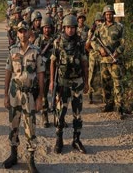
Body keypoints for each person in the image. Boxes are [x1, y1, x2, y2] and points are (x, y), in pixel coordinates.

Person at [3, 22, 44, 173]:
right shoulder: (12, 50)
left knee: (30, 127)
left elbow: (40, 74)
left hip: (30, 94)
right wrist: (5, 94)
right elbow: (8, 72)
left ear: (29, 33)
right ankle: (13, 155)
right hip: (15, 93)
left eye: (25, 31)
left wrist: (40, 97)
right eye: (20, 31)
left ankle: (31, 159)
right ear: (17, 33)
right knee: (13, 124)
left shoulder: (36, 51)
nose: (23, 34)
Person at [49, 15, 88, 154]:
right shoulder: (58, 42)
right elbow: (53, 61)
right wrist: (52, 82)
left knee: (78, 114)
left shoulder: (80, 42)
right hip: (63, 83)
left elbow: (84, 62)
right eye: (68, 27)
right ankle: (59, 140)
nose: (70, 30)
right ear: (64, 28)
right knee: (60, 113)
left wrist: (86, 81)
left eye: (73, 27)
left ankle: (76, 140)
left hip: (77, 82)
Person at [91, 5, 125, 119]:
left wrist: (117, 52)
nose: (109, 15)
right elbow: (92, 41)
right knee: (106, 84)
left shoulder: (119, 27)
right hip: (104, 61)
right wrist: (99, 49)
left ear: (113, 14)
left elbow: (124, 43)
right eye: (107, 14)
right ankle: (109, 104)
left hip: (115, 60)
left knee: (117, 84)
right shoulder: (100, 27)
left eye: (110, 13)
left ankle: (120, 107)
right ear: (104, 15)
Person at [34, 16, 55, 128]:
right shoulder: (39, 40)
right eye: (45, 28)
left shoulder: (55, 40)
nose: (47, 30)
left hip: (55, 70)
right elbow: (36, 55)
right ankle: (44, 115)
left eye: (48, 27)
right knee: (44, 94)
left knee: (57, 95)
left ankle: (57, 116)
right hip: (43, 71)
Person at [85, 12, 104, 104]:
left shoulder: (105, 30)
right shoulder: (91, 31)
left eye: (101, 21)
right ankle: (90, 95)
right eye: (98, 21)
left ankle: (103, 95)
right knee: (91, 75)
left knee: (103, 75)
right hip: (93, 55)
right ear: (95, 22)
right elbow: (88, 44)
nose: (99, 22)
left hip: (103, 56)